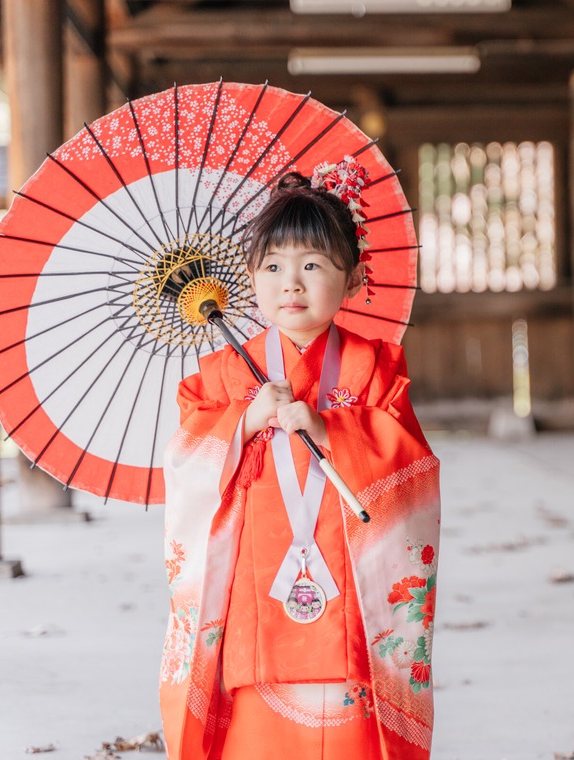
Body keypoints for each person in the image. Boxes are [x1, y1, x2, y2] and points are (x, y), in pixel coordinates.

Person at [158, 160, 440, 760]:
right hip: (254, 590)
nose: (292, 283)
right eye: (273, 267)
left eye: (312, 266)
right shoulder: (223, 376)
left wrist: (333, 427)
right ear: (250, 279)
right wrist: (242, 421)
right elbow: (186, 466)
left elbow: (410, 466)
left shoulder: (375, 367)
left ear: (355, 278)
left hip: (351, 583)